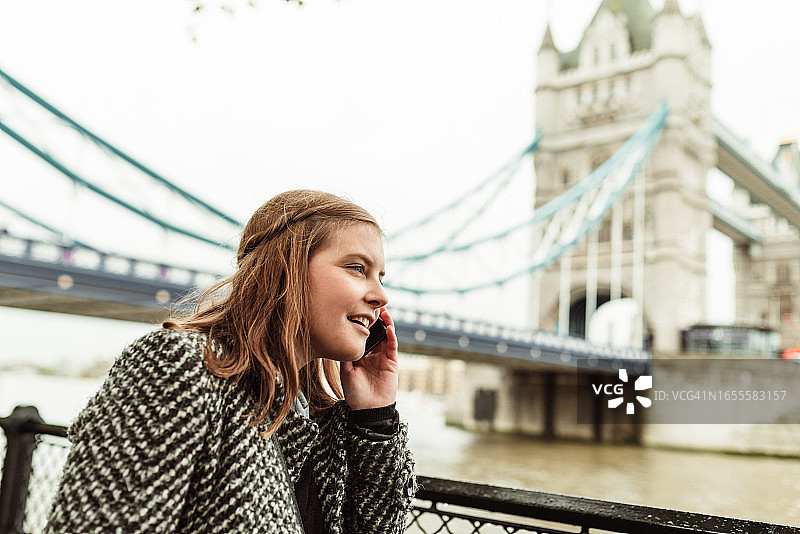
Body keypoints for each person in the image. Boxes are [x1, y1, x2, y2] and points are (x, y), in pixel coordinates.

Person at [45, 190, 417, 533]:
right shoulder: (180, 368)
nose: (380, 295)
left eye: (381, 277)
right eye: (357, 268)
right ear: (286, 268)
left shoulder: (320, 422)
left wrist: (375, 418)